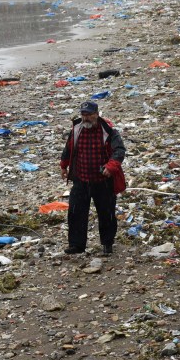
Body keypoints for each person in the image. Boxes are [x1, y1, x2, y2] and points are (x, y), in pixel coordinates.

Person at [60, 101, 126, 256]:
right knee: (76, 212)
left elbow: (119, 151)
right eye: (83, 115)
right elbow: (69, 148)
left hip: (103, 181)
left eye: (89, 115)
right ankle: (76, 245)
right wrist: (63, 165)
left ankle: (107, 244)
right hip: (81, 179)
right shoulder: (76, 129)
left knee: (106, 214)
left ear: (96, 114)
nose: (86, 118)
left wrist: (110, 167)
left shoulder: (109, 131)